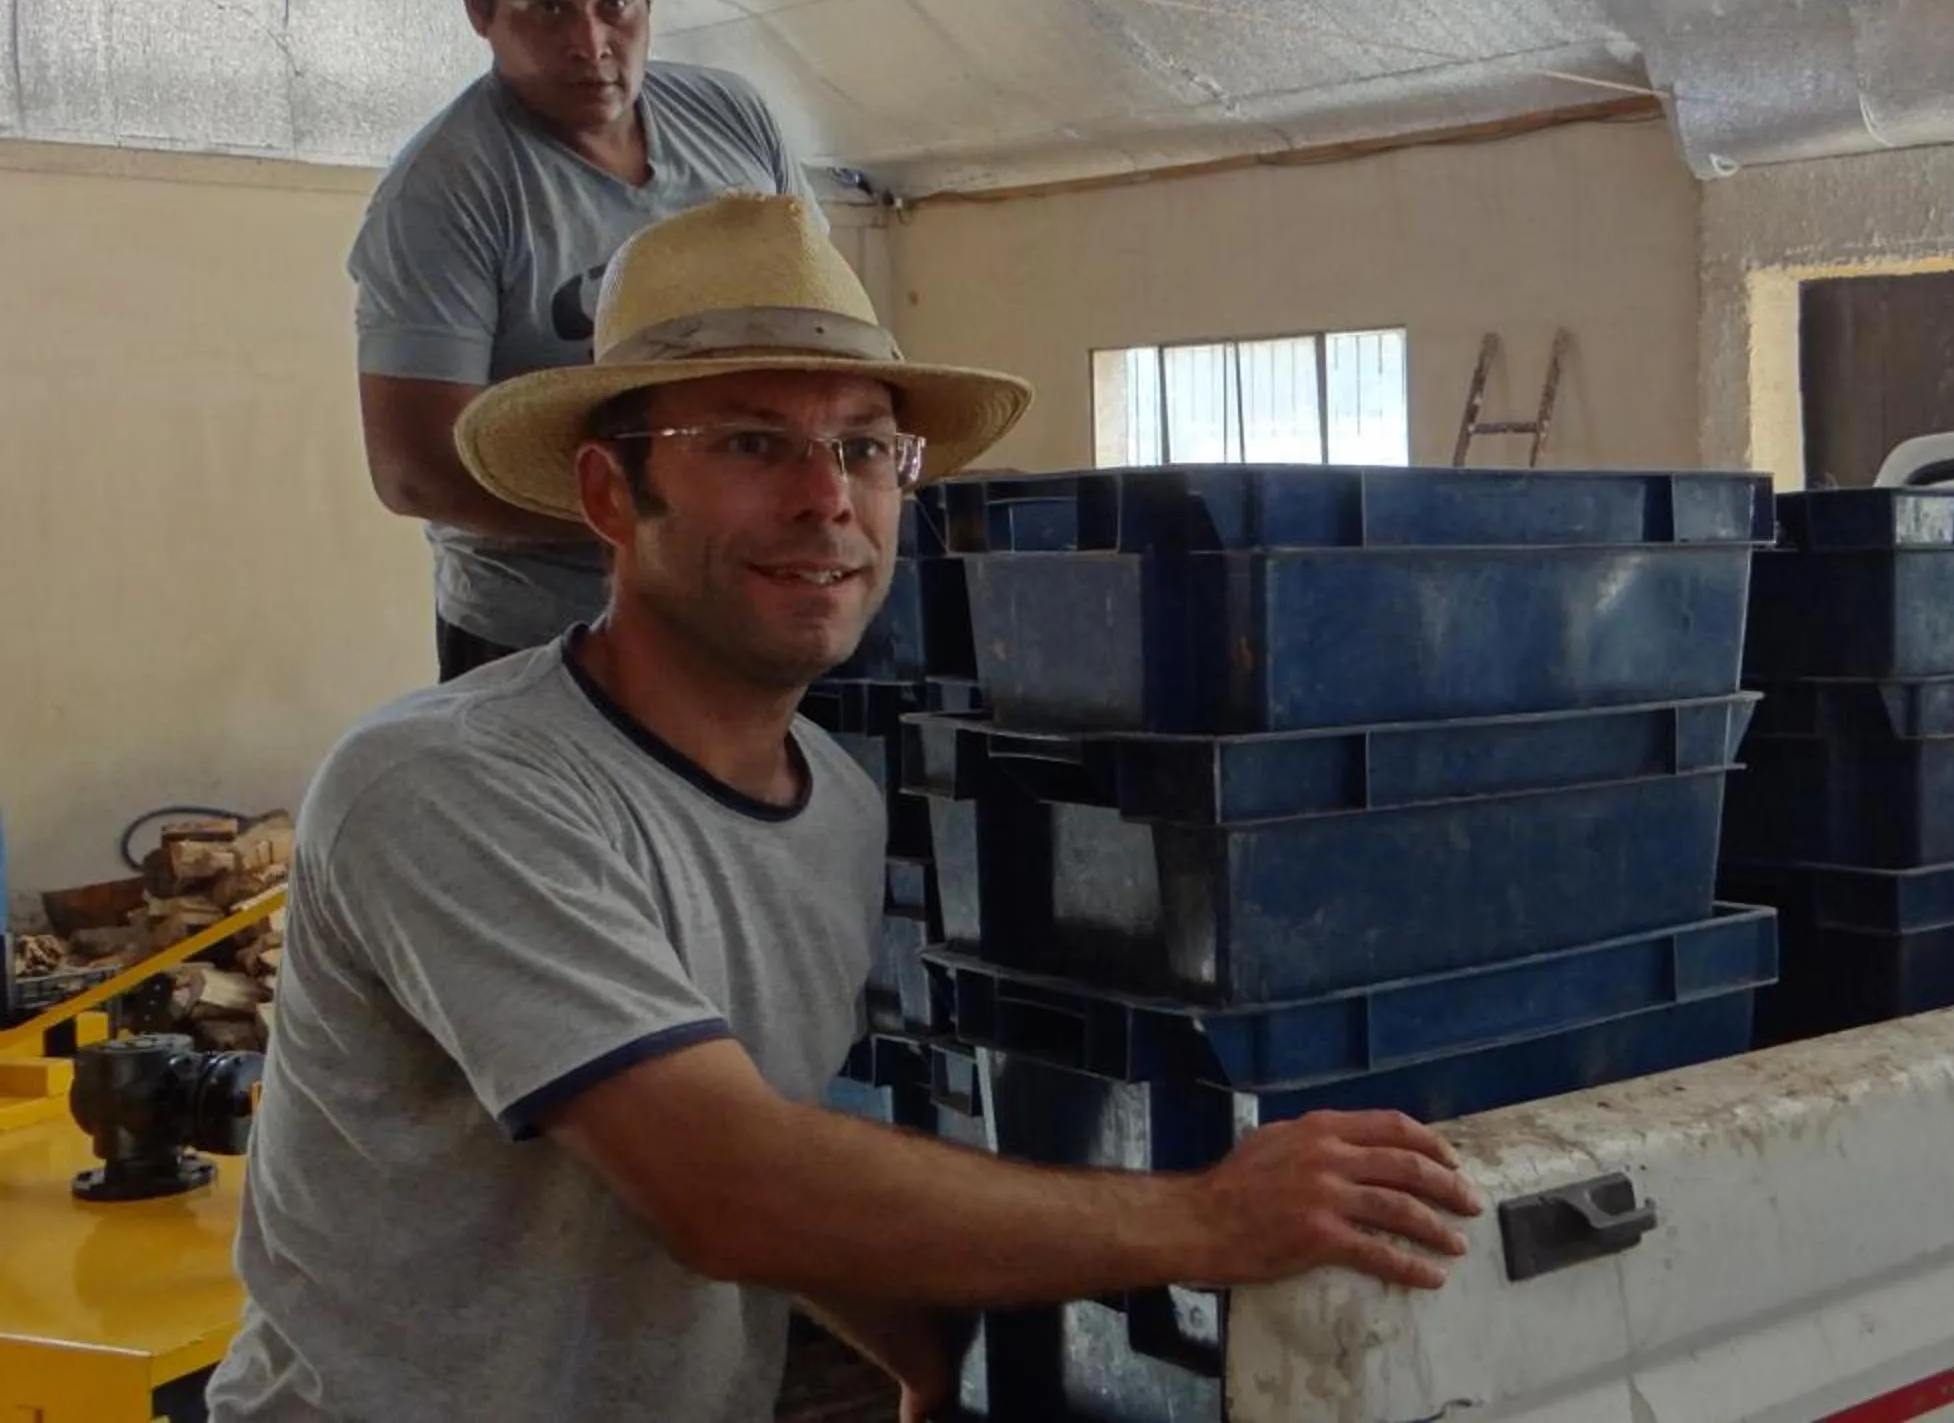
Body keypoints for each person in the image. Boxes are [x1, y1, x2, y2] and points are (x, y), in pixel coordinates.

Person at [209, 194, 1484, 1423]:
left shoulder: (835, 808)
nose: (827, 501)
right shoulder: (456, 784)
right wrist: (1211, 1217)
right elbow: (723, 1184)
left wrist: (923, 1351)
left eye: (866, 447)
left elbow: (766, 1143)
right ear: (610, 495)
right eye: (752, 443)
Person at [352, 0, 825, 682]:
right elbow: (415, 468)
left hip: (740, 603)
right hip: (541, 632)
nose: (591, 43)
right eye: (547, 6)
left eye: (615, 4)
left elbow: (823, 328)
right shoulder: (447, 190)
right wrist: (658, 521)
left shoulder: (733, 120)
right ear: (478, 9)